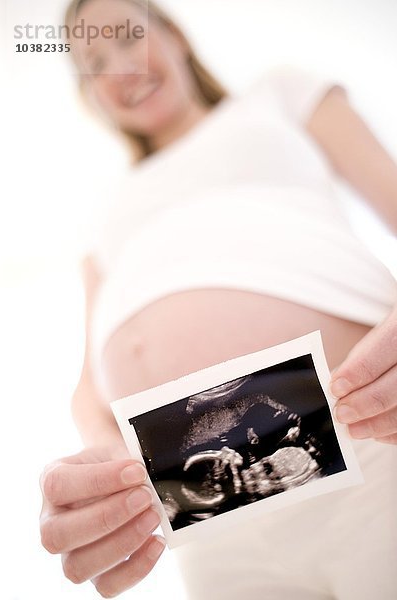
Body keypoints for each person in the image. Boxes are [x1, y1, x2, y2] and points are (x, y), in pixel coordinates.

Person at [39, 0, 397, 598]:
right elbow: (89, 391)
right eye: (93, 62)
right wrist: (101, 482)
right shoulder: (103, 216)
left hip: (368, 440)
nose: (120, 68)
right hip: (206, 520)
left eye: (129, 38)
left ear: (175, 35)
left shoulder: (278, 96)